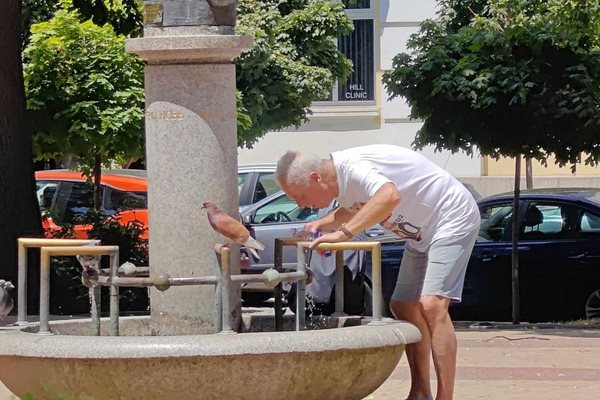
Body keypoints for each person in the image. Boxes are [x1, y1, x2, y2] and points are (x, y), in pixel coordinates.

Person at [275, 144, 480, 400]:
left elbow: (389, 195)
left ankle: (444, 397)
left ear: (315, 178)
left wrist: (343, 233)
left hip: (451, 218)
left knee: (432, 306)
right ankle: (420, 392)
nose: (301, 204)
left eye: (300, 196)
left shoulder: (354, 168)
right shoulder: (342, 183)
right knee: (403, 306)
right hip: (420, 235)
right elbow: (356, 206)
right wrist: (322, 223)